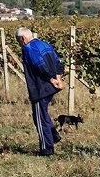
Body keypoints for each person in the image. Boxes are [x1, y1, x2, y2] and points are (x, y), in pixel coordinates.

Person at [15, 27, 64, 157]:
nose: (19, 44)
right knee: (43, 113)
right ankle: (54, 135)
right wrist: (58, 79)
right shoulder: (44, 44)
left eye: (18, 41)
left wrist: (52, 79)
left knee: (39, 119)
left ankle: (47, 149)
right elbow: (58, 61)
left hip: (40, 88)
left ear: (22, 38)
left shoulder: (28, 48)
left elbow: (39, 65)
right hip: (51, 87)